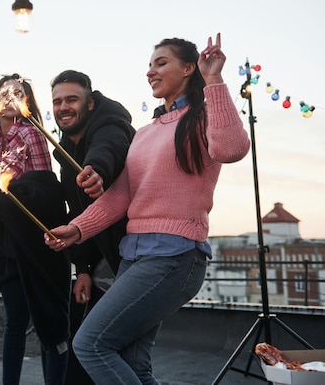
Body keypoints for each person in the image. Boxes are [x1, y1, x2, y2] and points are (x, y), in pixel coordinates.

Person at [45, 33, 250, 384]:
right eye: (150, 65)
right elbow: (121, 194)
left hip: (174, 256)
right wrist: (77, 229)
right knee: (134, 365)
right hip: (135, 257)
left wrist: (214, 79)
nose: (151, 71)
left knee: (91, 344)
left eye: (161, 63)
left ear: (189, 67)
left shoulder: (202, 117)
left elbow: (232, 149)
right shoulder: (145, 132)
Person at [0, 74, 71, 385]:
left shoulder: (31, 132)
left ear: (27, 101)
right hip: (6, 239)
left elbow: (41, 190)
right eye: (3, 94)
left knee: (49, 319)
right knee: (15, 320)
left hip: (32, 237)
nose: (9, 99)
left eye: (16, 94)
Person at [50, 70, 136, 384]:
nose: (63, 107)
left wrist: (96, 171)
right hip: (101, 262)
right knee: (85, 347)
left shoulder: (111, 124)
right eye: (57, 101)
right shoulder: (63, 148)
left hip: (131, 257)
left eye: (71, 99)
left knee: (109, 351)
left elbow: (108, 149)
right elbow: (78, 210)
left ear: (90, 102)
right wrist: (83, 267)